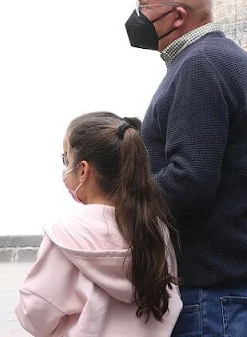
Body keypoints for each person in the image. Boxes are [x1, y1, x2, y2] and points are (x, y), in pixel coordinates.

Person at [126, 0, 247, 336]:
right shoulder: (217, 58)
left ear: (177, 16)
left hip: (217, 295)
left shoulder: (202, 65)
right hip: (228, 290)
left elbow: (190, 179)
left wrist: (118, 204)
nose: (136, 17)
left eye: (144, 8)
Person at [15, 112, 182, 336]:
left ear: (83, 170)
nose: (65, 169)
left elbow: (33, 313)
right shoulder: (157, 229)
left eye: (66, 159)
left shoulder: (65, 233)